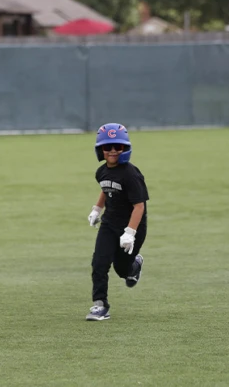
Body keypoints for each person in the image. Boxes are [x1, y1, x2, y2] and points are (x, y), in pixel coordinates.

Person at [85, 123, 149, 321]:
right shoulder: (101, 172)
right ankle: (100, 304)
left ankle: (134, 266)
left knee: (122, 269)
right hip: (109, 224)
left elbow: (139, 206)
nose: (113, 151)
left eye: (118, 147)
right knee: (99, 263)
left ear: (125, 148)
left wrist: (130, 232)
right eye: (108, 147)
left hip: (133, 226)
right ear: (100, 150)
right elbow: (106, 189)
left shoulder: (130, 174)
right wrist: (97, 209)